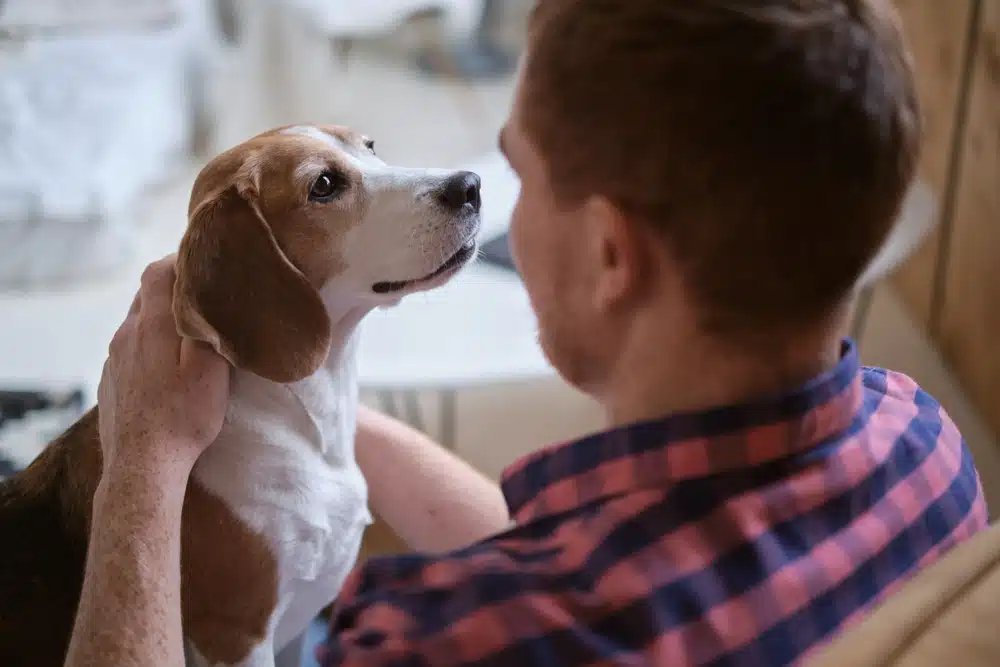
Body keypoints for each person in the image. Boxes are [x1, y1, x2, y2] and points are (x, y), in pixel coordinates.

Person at [65, 1, 989, 666]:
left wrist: (142, 467)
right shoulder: (931, 451)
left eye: (521, 174)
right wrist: (299, 403)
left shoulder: (443, 636)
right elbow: (610, 557)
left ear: (610, 254)